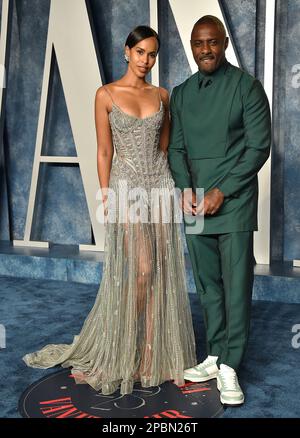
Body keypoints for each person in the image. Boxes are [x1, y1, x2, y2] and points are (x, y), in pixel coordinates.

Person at [22, 25, 197, 396]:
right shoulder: (105, 95)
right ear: (126, 51)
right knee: (143, 269)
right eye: (140, 53)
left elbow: (164, 147)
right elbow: (104, 152)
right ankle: (118, 349)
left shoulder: (162, 95)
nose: (146, 60)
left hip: (159, 186)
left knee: (162, 272)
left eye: (152, 54)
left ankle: (150, 357)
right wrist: (106, 197)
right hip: (125, 188)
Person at [168, 15, 271, 406]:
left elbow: (258, 147)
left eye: (212, 42)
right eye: (198, 43)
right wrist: (185, 190)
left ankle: (231, 365)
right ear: (192, 47)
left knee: (236, 285)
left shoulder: (247, 87)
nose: (205, 50)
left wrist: (221, 191)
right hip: (194, 202)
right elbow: (176, 149)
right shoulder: (181, 93)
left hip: (235, 202)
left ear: (224, 42)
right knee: (208, 286)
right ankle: (214, 354)